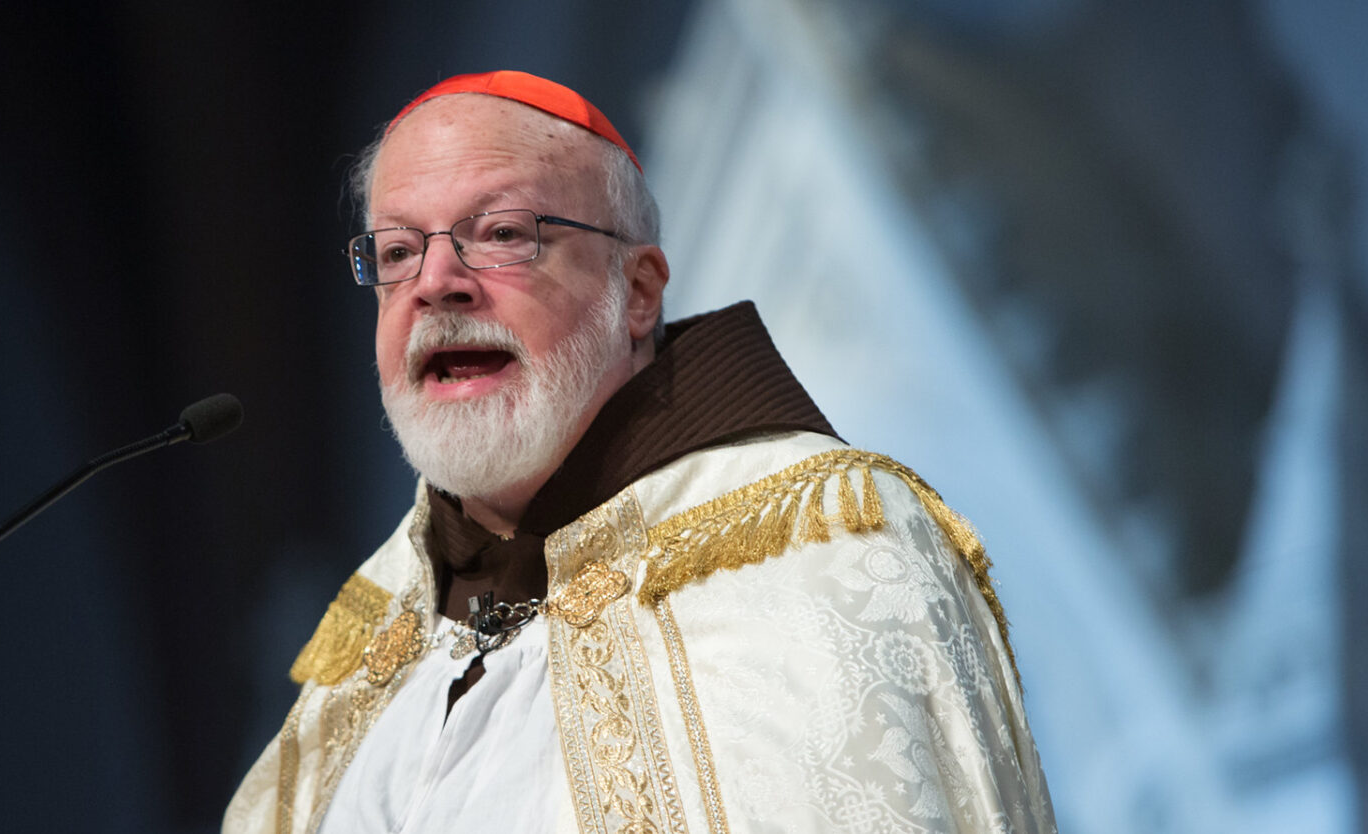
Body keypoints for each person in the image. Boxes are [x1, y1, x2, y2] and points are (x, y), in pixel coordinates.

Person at [224, 70, 1055, 834]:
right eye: (398, 252)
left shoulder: (826, 547)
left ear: (639, 292)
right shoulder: (375, 629)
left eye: (504, 233)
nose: (437, 281)